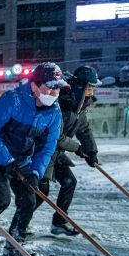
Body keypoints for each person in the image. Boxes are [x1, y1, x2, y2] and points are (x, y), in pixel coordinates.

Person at [0, 62, 65, 256]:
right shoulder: (13, 101)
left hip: (22, 159)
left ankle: (15, 243)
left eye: (58, 88)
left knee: (29, 200)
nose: (54, 92)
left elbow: (47, 146)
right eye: (50, 87)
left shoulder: (54, 112)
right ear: (35, 85)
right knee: (0, 201)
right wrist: (7, 160)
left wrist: (36, 173)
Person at [35, 65, 101, 236]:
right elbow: (56, 137)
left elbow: (84, 130)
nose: (92, 92)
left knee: (69, 182)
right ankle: (20, 223)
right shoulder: (63, 105)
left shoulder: (80, 108)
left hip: (57, 155)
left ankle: (59, 222)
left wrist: (91, 152)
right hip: (43, 153)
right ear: (81, 87)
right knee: (40, 192)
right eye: (90, 88)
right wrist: (78, 149)